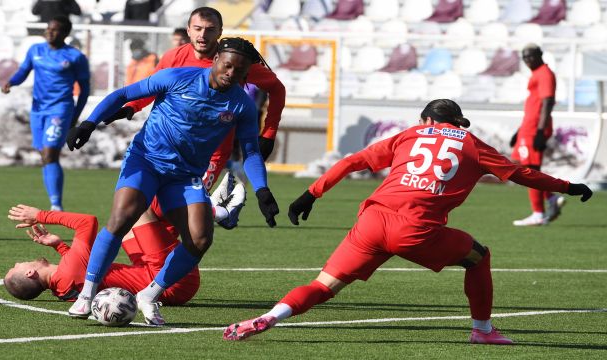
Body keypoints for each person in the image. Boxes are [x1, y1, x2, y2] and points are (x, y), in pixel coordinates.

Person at [223, 99, 593, 344]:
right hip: (415, 230)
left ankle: (271, 316)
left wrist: (311, 194)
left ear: (427, 121)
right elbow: (520, 173)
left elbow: (354, 161)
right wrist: (568, 186)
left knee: (323, 286)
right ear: (457, 122)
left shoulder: (410, 134)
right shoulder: (469, 142)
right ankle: (482, 330)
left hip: (371, 221)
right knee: (479, 256)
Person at [65, 37, 280, 325]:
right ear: (216, 59)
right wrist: (90, 123)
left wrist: (263, 190)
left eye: (240, 72)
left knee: (200, 239)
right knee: (121, 218)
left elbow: (251, 152)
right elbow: (124, 94)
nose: (231, 74)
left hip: (185, 176)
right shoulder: (178, 78)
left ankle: (149, 295)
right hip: (146, 161)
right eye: (228, 66)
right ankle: (87, 294)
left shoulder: (242, 105)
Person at [104, 7, 286, 192]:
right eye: (198, 28)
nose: (203, 35)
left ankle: (217, 209)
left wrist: (269, 134)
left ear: (220, 32)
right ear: (189, 29)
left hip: (211, 153)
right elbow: (153, 88)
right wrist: (133, 106)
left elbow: (277, 89)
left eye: (210, 29)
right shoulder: (173, 57)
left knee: (181, 213)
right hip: (168, 150)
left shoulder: (232, 60)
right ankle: (220, 210)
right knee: (154, 212)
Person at [4, 204, 199, 305]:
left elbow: (81, 268)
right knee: (135, 206)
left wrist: (59, 245)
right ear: (30, 273)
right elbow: (87, 222)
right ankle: (210, 209)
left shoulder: (61, 288)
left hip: (158, 281)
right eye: (16, 267)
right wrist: (41, 215)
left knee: (126, 226)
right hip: (173, 276)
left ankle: (182, 215)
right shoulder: (70, 270)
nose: (18, 262)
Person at [2, 16, 90, 211]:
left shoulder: (75, 57)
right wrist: (12, 82)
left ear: (65, 34)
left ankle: (56, 206)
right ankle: (54, 200)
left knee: (50, 154)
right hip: (38, 109)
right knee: (44, 155)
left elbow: (84, 89)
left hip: (60, 109)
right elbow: (23, 70)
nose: (50, 32)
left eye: (55, 30)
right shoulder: (36, 50)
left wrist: (76, 114)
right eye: (48, 28)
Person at [510, 44, 564, 226]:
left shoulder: (545, 74)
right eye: (524, 57)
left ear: (540, 55)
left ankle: (538, 213)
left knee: (530, 170)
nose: (527, 60)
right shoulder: (537, 73)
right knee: (522, 165)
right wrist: (519, 131)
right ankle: (550, 198)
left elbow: (547, 102)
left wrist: (540, 131)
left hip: (534, 128)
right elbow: (534, 106)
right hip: (528, 127)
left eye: (531, 56)